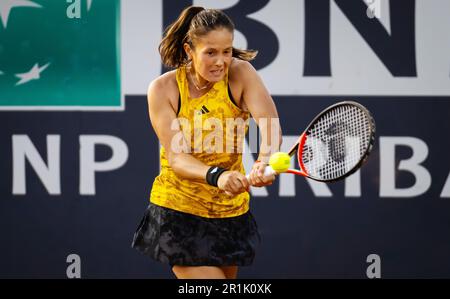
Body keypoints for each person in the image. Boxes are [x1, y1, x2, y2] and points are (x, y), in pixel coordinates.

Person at [132, 6, 282, 279]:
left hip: (229, 211)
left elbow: (269, 125)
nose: (221, 61)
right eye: (210, 52)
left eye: (226, 51)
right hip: (179, 210)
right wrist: (219, 176)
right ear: (189, 50)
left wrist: (263, 161)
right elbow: (177, 158)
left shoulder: (242, 74)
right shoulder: (163, 89)